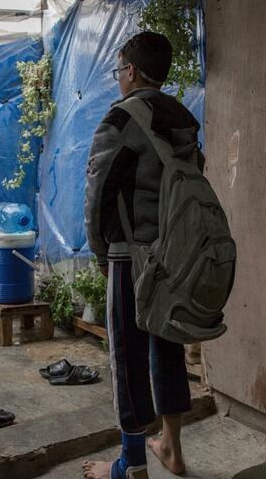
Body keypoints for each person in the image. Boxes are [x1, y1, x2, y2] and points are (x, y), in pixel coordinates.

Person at [82, 31, 205, 479]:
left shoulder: (121, 118)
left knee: (127, 354)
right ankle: (170, 446)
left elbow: (98, 191)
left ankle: (130, 464)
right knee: (166, 343)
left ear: (131, 71)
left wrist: (98, 250)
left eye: (119, 70)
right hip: (176, 253)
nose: (118, 79)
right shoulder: (184, 119)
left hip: (130, 257)